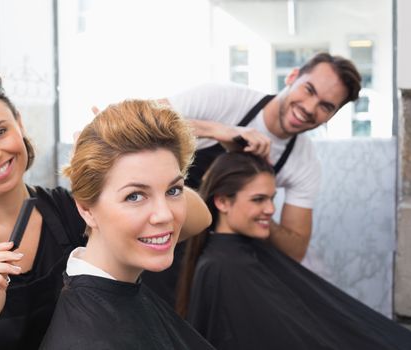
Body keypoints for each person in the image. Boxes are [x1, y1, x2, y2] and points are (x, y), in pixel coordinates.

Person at [0, 63, 211, 350]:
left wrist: (122, 161)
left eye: (0, 131)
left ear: (19, 123)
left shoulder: (68, 209)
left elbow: (196, 220)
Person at [142, 52, 362, 307]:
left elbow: (294, 249)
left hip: (204, 253)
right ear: (292, 77)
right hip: (154, 224)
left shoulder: (303, 163)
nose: (310, 108)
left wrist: (257, 208)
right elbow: (135, 120)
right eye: (309, 90)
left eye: (326, 106)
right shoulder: (222, 99)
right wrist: (219, 130)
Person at [176, 151, 411, 350]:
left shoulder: (241, 255)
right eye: (258, 199)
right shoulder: (223, 268)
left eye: (272, 198)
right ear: (223, 202)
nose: (270, 209)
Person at [40, 100, 215, 349]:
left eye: (173, 190)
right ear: (86, 209)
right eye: (134, 196)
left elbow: (202, 218)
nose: (164, 215)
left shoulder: (117, 284)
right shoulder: (88, 338)